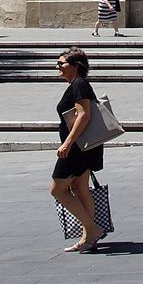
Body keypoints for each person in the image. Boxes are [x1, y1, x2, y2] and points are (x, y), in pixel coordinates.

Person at [50, 46, 106, 253]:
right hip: (84, 146)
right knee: (80, 189)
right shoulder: (78, 84)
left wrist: (67, 143)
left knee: (57, 189)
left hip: (77, 148)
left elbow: (84, 115)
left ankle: (92, 229)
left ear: (75, 66)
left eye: (61, 63)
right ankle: (88, 238)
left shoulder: (79, 85)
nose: (57, 66)